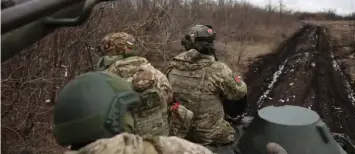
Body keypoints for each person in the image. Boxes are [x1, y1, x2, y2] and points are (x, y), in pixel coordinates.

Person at [53, 72, 286, 154]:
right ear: (114, 119)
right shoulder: (167, 149)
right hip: (215, 135)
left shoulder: (174, 66)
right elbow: (239, 91)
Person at [96, 32, 193, 137]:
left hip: (125, 144)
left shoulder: (103, 80)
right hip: (159, 140)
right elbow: (169, 97)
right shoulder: (156, 73)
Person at [166, 24, 248, 146]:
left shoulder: (172, 65)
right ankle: (234, 119)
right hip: (209, 136)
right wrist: (237, 80)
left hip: (180, 131)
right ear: (209, 45)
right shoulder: (218, 69)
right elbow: (240, 92)